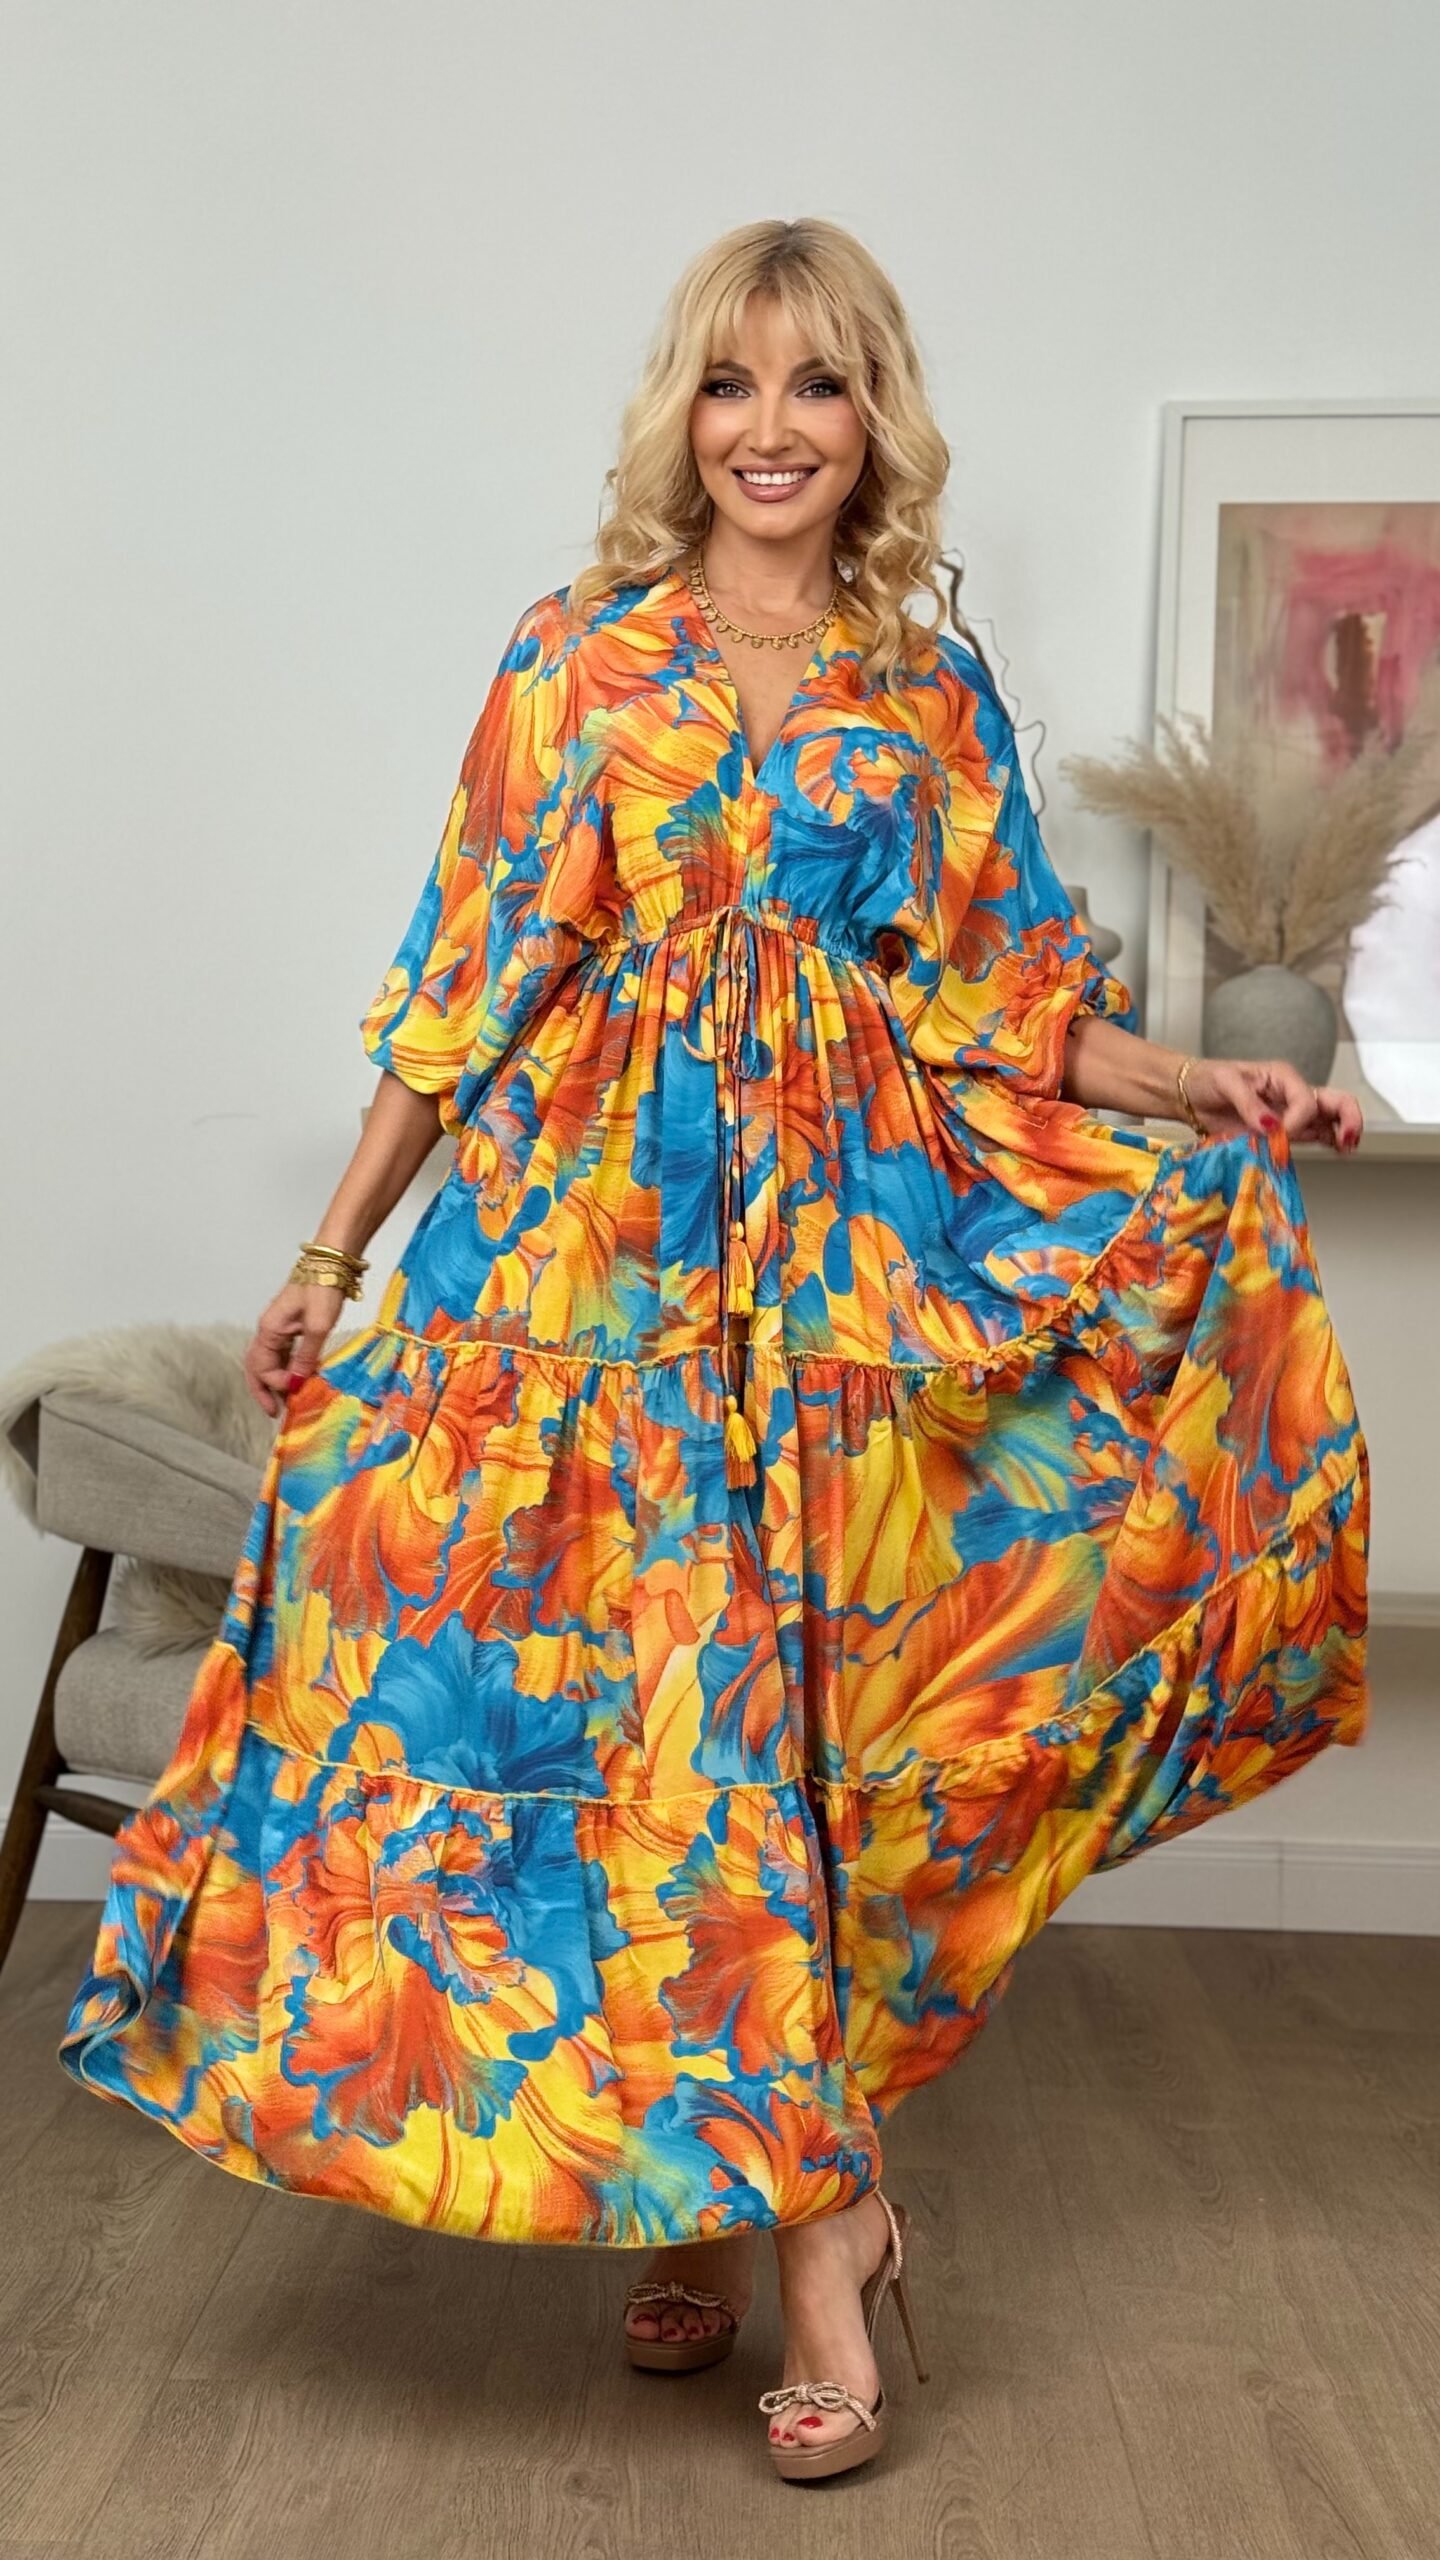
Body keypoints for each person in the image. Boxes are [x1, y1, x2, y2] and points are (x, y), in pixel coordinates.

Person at [57, 217, 1371, 2486]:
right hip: (588, 1272)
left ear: (876, 421)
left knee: (796, 1723)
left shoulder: (924, 689)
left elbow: (1010, 1004)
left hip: (847, 1274)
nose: (773, 429)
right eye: (734, 382)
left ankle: (808, 2230)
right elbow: (468, 970)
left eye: (820, 384)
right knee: (612, 1716)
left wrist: (1204, 1087)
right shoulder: (574, 655)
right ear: (684, 412)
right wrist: (335, 1252)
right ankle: (739, 2199)